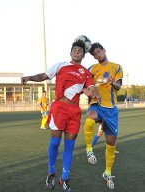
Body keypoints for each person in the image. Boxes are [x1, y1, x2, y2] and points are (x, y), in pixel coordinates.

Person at [21, 39, 99, 192]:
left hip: (74, 111)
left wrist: (93, 93)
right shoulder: (60, 65)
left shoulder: (86, 72)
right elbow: (43, 76)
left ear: (83, 55)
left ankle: (64, 177)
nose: (77, 51)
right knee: (55, 143)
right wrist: (29, 77)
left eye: (80, 50)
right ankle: (51, 171)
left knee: (69, 146)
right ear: (70, 52)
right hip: (59, 108)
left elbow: (91, 88)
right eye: (75, 49)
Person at [84, 42, 123, 190]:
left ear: (104, 50)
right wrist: (86, 91)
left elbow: (119, 86)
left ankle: (107, 172)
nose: (97, 55)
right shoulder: (92, 69)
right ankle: (89, 149)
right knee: (90, 116)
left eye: (99, 52)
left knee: (111, 143)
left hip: (111, 110)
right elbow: (84, 84)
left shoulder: (116, 67)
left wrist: (113, 83)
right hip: (97, 104)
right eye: (95, 54)